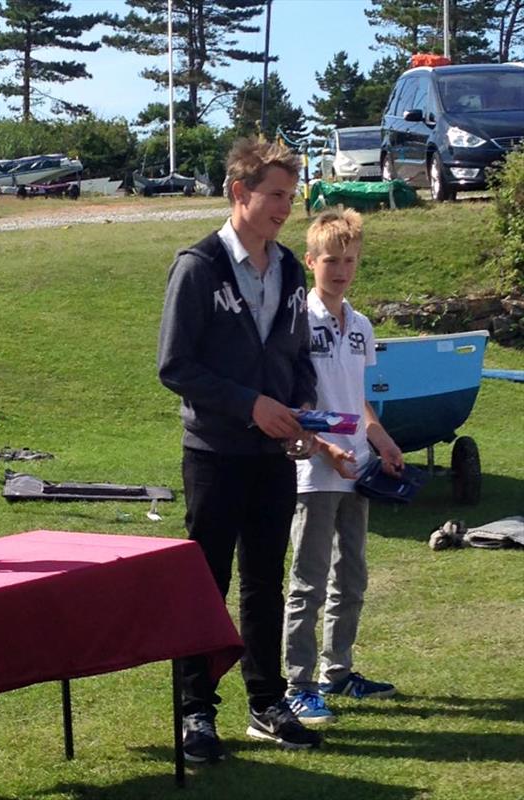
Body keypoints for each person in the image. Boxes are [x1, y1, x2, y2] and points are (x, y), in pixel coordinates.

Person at [158, 137, 322, 762]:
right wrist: (249, 404)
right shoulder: (197, 266)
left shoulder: (289, 270)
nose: (287, 207)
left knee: (264, 584)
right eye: (276, 195)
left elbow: (297, 359)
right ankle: (195, 711)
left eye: (291, 195)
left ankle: (266, 701)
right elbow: (175, 365)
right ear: (240, 192)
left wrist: (301, 412)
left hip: (272, 459)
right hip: (215, 454)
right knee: (206, 583)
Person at [284, 208, 404, 725]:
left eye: (350, 260)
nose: (341, 269)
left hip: (359, 469)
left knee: (352, 577)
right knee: (308, 582)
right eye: (331, 260)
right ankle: (297, 684)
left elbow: (359, 401)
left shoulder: (360, 324)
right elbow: (289, 403)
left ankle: (339, 672)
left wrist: (381, 438)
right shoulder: (295, 322)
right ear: (311, 261)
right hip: (314, 470)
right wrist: (324, 447)